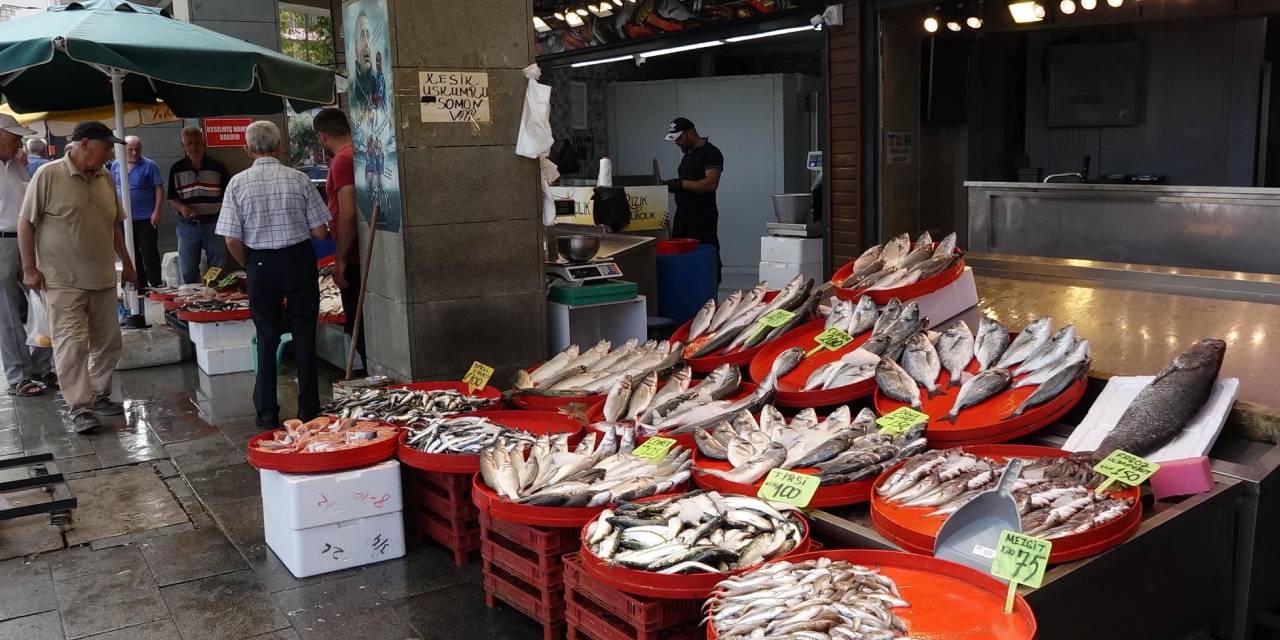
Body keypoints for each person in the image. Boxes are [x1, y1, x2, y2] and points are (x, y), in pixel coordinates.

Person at [18, 121, 137, 433]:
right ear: (84, 144)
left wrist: (128, 263)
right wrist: (29, 268)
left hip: (102, 277)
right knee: (72, 344)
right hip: (61, 279)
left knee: (109, 342)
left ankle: (98, 394)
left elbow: (114, 225)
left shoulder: (105, 177)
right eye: (106, 147)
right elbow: (25, 224)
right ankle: (80, 407)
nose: (110, 153)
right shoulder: (48, 174)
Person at [216, 121, 329, 428]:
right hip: (297, 261)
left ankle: (266, 412)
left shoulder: (237, 183)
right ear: (280, 147)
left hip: (260, 264)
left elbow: (231, 239)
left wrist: (250, 263)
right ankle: (309, 410)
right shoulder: (299, 179)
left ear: (247, 149)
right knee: (304, 335)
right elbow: (320, 232)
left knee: (267, 337)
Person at [0, 115, 54, 397]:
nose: (19, 142)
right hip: (2, 245)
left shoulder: (18, 166)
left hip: (27, 241)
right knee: (8, 313)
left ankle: (42, 366)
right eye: (13, 136)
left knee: (44, 300)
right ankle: (19, 375)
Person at [312, 108, 366, 373]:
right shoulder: (360, 153)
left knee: (359, 322)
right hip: (359, 252)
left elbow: (348, 212)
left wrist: (341, 259)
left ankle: (369, 376)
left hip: (355, 256)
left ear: (323, 137)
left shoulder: (343, 160)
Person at [663, 117, 725, 282]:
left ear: (690, 133)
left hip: (702, 217)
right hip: (683, 215)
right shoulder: (687, 155)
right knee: (681, 258)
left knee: (704, 256)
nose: (678, 143)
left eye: (679, 139)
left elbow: (710, 184)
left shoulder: (711, 153)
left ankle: (709, 291)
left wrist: (681, 184)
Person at [168, 126, 231, 284]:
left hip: (214, 225)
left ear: (204, 144)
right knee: (188, 269)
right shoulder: (176, 169)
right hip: (188, 226)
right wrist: (182, 208)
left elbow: (229, 197)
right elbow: (172, 197)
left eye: (197, 143)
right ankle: (192, 302)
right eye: (189, 143)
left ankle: (214, 297)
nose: (193, 147)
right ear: (183, 146)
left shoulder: (218, 167)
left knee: (217, 267)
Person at [109, 136, 165, 291]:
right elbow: (112, 187)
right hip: (124, 217)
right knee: (131, 251)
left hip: (146, 216)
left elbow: (159, 188)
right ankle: (140, 283)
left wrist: (157, 211)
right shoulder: (116, 165)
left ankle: (155, 282)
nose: (134, 152)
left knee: (149, 249)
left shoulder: (149, 165)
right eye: (130, 149)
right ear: (124, 149)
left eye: (137, 149)